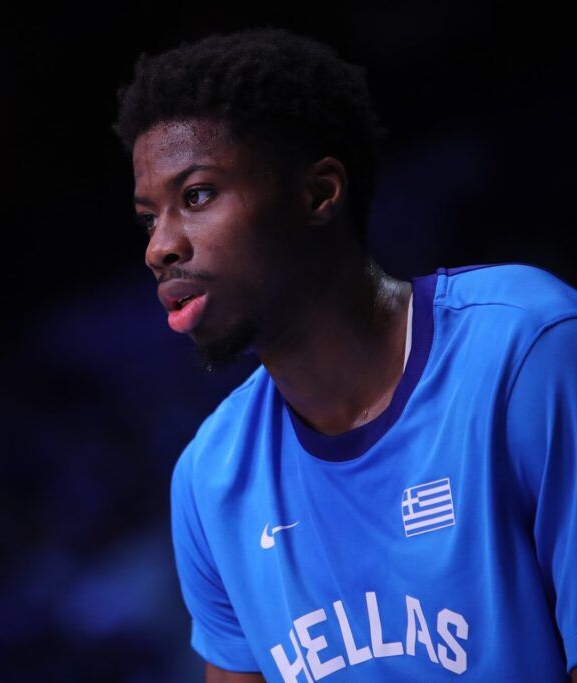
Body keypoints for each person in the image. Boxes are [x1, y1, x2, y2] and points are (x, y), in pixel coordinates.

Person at [112, 27, 577, 682]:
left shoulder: (523, 349)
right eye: (148, 217)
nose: (159, 248)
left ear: (319, 194)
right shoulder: (209, 479)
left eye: (197, 196)